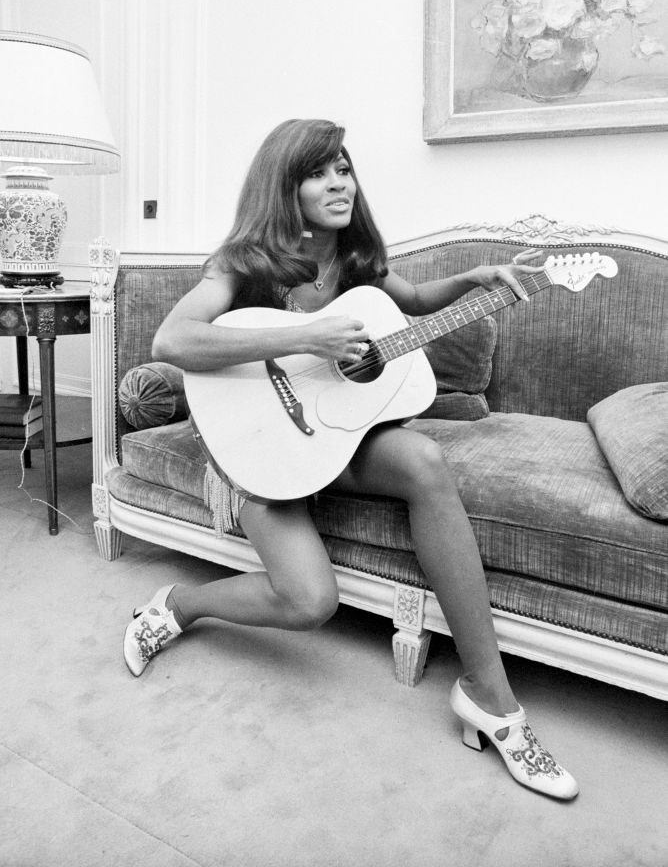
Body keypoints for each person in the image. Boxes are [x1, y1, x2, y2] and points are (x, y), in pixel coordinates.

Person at [123, 118, 578, 800]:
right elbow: (173, 339)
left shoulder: (358, 257)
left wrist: (479, 279)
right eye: (319, 171)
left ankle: (490, 696)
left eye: (344, 168)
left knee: (424, 459)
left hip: (339, 439)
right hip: (263, 446)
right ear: (285, 183)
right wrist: (309, 334)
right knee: (308, 602)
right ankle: (180, 605)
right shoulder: (245, 261)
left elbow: (415, 304)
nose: (339, 182)